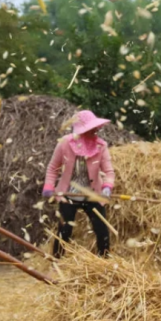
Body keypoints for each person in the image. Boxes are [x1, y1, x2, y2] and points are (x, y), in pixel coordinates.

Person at [42, 110, 115, 258]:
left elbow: (109, 171)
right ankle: (57, 261)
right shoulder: (65, 144)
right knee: (65, 230)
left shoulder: (101, 146)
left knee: (102, 230)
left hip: (92, 194)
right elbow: (52, 168)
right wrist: (49, 187)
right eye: (89, 129)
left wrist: (107, 187)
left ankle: (105, 261)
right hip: (68, 194)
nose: (94, 131)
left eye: (95, 128)